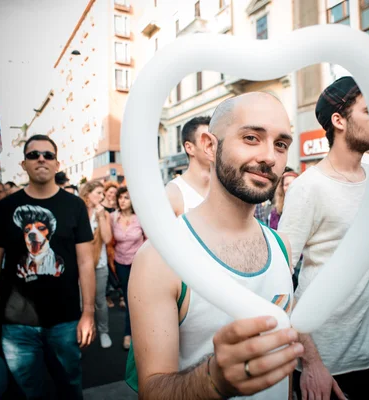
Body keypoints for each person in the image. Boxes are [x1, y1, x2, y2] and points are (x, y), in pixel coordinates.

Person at [125, 92, 301, 398]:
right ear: (209, 145)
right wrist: (214, 379)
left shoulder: (281, 245)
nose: (270, 156)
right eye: (251, 137)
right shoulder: (159, 258)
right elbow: (152, 390)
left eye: (281, 145)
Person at [279, 76, 369, 399]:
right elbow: (279, 280)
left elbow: (362, 261)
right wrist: (311, 362)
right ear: (339, 121)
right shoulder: (307, 188)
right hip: (326, 360)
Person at [0, 134, 96, 399]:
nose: (41, 159)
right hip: (17, 324)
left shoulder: (74, 206)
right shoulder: (5, 208)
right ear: (24, 164)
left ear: (57, 163)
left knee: (70, 387)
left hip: (65, 320)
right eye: (33, 155)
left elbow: (86, 261)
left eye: (48, 155)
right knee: (29, 391)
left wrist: (88, 314)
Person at [110, 186, 145, 349]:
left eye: (126, 197)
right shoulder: (112, 217)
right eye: (120, 197)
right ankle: (130, 332)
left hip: (138, 262)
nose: (122, 201)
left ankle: (132, 333)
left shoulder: (140, 218)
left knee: (137, 297)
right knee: (128, 297)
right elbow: (109, 241)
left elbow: (148, 240)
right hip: (120, 262)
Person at [80, 181, 113, 349]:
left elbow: (107, 239)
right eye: (99, 193)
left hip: (99, 264)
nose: (102, 197)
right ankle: (84, 330)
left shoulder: (104, 213)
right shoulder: (78, 211)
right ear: (88, 193)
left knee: (100, 300)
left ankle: (103, 331)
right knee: (81, 300)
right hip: (80, 265)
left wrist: (101, 217)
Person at [166, 116, 211, 216]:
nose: (213, 146)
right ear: (189, 148)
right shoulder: (172, 193)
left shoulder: (225, 189)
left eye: (215, 140)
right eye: (207, 141)